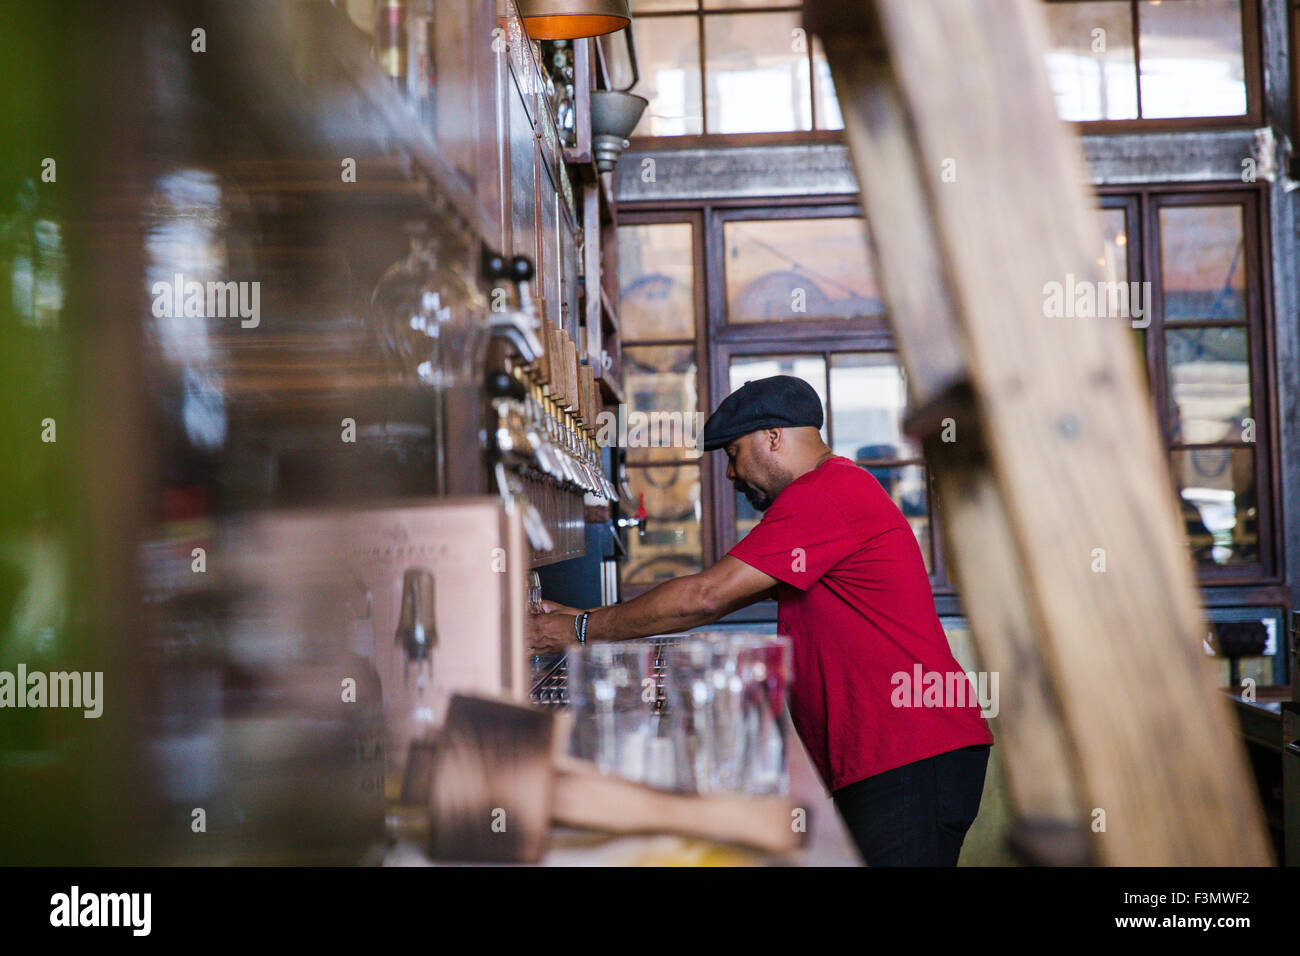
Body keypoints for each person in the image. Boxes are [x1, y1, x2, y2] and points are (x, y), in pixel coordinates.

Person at [529, 375, 994, 865]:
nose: (730, 474)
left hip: (909, 753)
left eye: (732, 453)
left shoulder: (823, 494)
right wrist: (584, 616)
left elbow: (704, 596)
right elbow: (720, 597)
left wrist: (576, 631)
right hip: (901, 753)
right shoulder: (835, 490)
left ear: (773, 437)